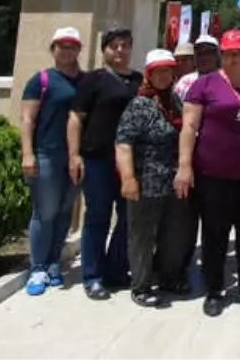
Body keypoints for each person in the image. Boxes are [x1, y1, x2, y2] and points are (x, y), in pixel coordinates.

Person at [175, 29, 240, 317]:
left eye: (239, 52)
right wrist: (184, 166)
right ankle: (214, 290)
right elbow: (189, 127)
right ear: (222, 54)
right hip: (213, 175)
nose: (234, 58)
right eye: (229, 52)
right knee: (214, 234)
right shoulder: (204, 85)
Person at [116, 49, 195, 307]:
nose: (164, 76)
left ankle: (168, 277)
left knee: (174, 234)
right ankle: (141, 285)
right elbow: (124, 143)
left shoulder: (175, 102)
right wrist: (127, 178)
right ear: (149, 74)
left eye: (168, 70)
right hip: (145, 181)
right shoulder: (140, 104)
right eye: (158, 71)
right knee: (141, 236)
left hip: (173, 181)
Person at [68, 26, 142, 300]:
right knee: (97, 217)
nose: (120, 51)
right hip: (98, 158)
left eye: (125, 45)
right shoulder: (93, 80)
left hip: (129, 162)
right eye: (115, 46)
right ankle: (93, 275)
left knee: (128, 218)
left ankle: (116, 270)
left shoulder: (138, 80)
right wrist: (75, 155)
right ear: (104, 50)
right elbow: (76, 118)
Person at [20, 27, 83, 296]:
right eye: (62, 45)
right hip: (46, 153)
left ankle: (54, 262)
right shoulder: (41, 80)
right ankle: (38, 268)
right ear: (53, 48)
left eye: (72, 46)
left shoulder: (85, 81)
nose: (67, 50)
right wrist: (27, 153)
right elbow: (27, 119)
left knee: (64, 212)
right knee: (44, 213)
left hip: (76, 156)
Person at [174, 34, 218, 103]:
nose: (204, 58)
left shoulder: (227, 81)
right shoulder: (184, 82)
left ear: (217, 55)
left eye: (208, 53)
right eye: (200, 53)